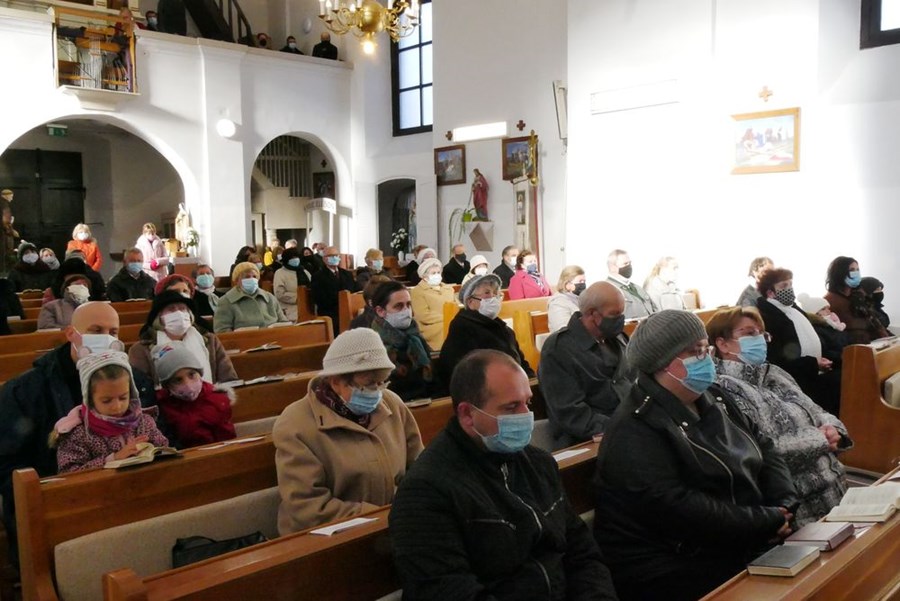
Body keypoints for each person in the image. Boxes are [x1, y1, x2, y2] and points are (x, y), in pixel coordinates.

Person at [593, 309, 798, 601]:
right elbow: (678, 507)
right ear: (662, 362)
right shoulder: (635, 427)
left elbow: (764, 447)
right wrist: (764, 522)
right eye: (694, 352)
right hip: (675, 562)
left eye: (706, 349)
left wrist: (783, 504)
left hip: (739, 535)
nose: (706, 359)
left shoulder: (715, 396)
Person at [390, 349, 618, 601]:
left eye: (527, 403)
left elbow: (582, 553)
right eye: (511, 407)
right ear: (467, 414)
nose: (525, 416)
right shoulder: (426, 491)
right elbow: (447, 589)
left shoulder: (539, 464)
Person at [0, 302, 159, 564]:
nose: (106, 338)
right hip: (59, 509)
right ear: (71, 334)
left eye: (113, 332)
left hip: (129, 496)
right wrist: (59, 494)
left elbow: (156, 432)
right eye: (96, 330)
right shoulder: (26, 390)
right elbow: (7, 464)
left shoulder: (136, 381)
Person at [706, 306, 852, 527]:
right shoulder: (722, 388)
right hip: (799, 505)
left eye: (761, 334)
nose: (759, 340)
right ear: (722, 344)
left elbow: (817, 410)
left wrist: (835, 431)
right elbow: (763, 451)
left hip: (836, 485)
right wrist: (821, 439)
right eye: (749, 333)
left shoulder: (774, 372)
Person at [273, 328, 423, 533]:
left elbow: (419, 468)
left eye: (381, 383)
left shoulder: (392, 404)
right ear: (336, 381)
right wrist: (383, 517)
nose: (376, 393)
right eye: (368, 385)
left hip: (395, 525)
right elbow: (308, 507)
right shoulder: (295, 424)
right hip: (329, 538)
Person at [540, 282, 634, 448]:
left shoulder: (618, 339)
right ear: (592, 314)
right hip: (589, 439)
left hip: (628, 427)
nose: (621, 320)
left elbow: (635, 382)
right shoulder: (559, 349)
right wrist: (622, 428)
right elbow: (571, 413)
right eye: (614, 314)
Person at [51, 351, 169, 473]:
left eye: (123, 398)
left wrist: (151, 452)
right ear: (90, 400)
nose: (117, 407)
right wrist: (114, 458)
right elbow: (69, 473)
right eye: (106, 401)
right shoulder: (79, 434)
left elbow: (165, 451)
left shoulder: (144, 422)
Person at [756, 268, 842, 414]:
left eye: (791, 284)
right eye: (784, 286)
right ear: (770, 292)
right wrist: (813, 364)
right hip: (798, 381)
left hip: (816, 371)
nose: (789, 289)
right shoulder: (768, 318)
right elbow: (780, 359)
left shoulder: (794, 310)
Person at [439, 274, 534, 385]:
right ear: (470, 302)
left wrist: (531, 380)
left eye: (496, 293)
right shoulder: (462, 328)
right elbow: (466, 374)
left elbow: (521, 363)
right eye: (487, 293)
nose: (493, 297)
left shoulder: (504, 329)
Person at [130, 290, 238, 384]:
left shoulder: (210, 341)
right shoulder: (141, 349)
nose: (179, 313)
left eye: (182, 308)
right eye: (171, 309)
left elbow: (228, 378)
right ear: (159, 317)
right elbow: (143, 389)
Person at [153, 342, 236, 448]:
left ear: (199, 373)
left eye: (191, 375)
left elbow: (228, 440)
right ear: (168, 385)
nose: (188, 384)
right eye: (178, 380)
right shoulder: (162, 404)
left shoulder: (217, 399)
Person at [368, 281, 438, 401]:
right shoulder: (373, 345)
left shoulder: (415, 337)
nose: (406, 311)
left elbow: (433, 379)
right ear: (380, 311)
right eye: (398, 306)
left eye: (408, 305)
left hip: (427, 400)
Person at [214, 262, 288, 333]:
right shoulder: (226, 301)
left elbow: (283, 322)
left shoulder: (269, 297)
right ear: (237, 280)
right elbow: (222, 330)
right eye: (247, 277)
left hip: (274, 338)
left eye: (254, 277)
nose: (251, 279)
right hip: (244, 340)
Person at [310, 245, 357, 335]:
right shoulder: (318, 276)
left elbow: (354, 291)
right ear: (324, 259)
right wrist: (341, 301)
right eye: (331, 256)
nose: (334, 258)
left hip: (348, 310)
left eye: (336, 255)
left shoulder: (347, 274)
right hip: (331, 313)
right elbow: (319, 299)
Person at [409, 257, 455, 350]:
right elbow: (423, 315)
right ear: (424, 276)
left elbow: (456, 305)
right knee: (448, 327)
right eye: (433, 273)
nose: (437, 275)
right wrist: (447, 317)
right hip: (430, 326)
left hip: (450, 320)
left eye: (438, 272)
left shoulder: (449, 289)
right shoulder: (418, 291)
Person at [799, 294, 850, 366]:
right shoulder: (816, 330)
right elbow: (824, 352)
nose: (828, 311)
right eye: (823, 309)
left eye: (828, 308)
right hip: (835, 365)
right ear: (814, 313)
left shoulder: (833, 326)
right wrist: (845, 356)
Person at [606, 249, 655, 319]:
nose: (629, 266)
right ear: (612, 267)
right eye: (625, 263)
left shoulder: (638, 288)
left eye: (630, 263)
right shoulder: (607, 291)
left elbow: (654, 310)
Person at [274, 247, 311, 321]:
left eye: (297, 257)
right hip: (289, 310)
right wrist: (299, 297)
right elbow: (279, 293)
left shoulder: (304, 271)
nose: (295, 259)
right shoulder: (280, 273)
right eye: (292, 258)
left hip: (308, 308)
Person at [547, 264, 586, 332]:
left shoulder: (581, 299)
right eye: (580, 281)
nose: (583, 284)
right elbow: (563, 330)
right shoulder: (557, 303)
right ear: (567, 284)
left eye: (584, 281)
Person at [1, 205, 20, 276]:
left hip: (10, 262)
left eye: (9, 212)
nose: (9, 215)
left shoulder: (11, 229)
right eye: (6, 213)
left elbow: (16, 237)